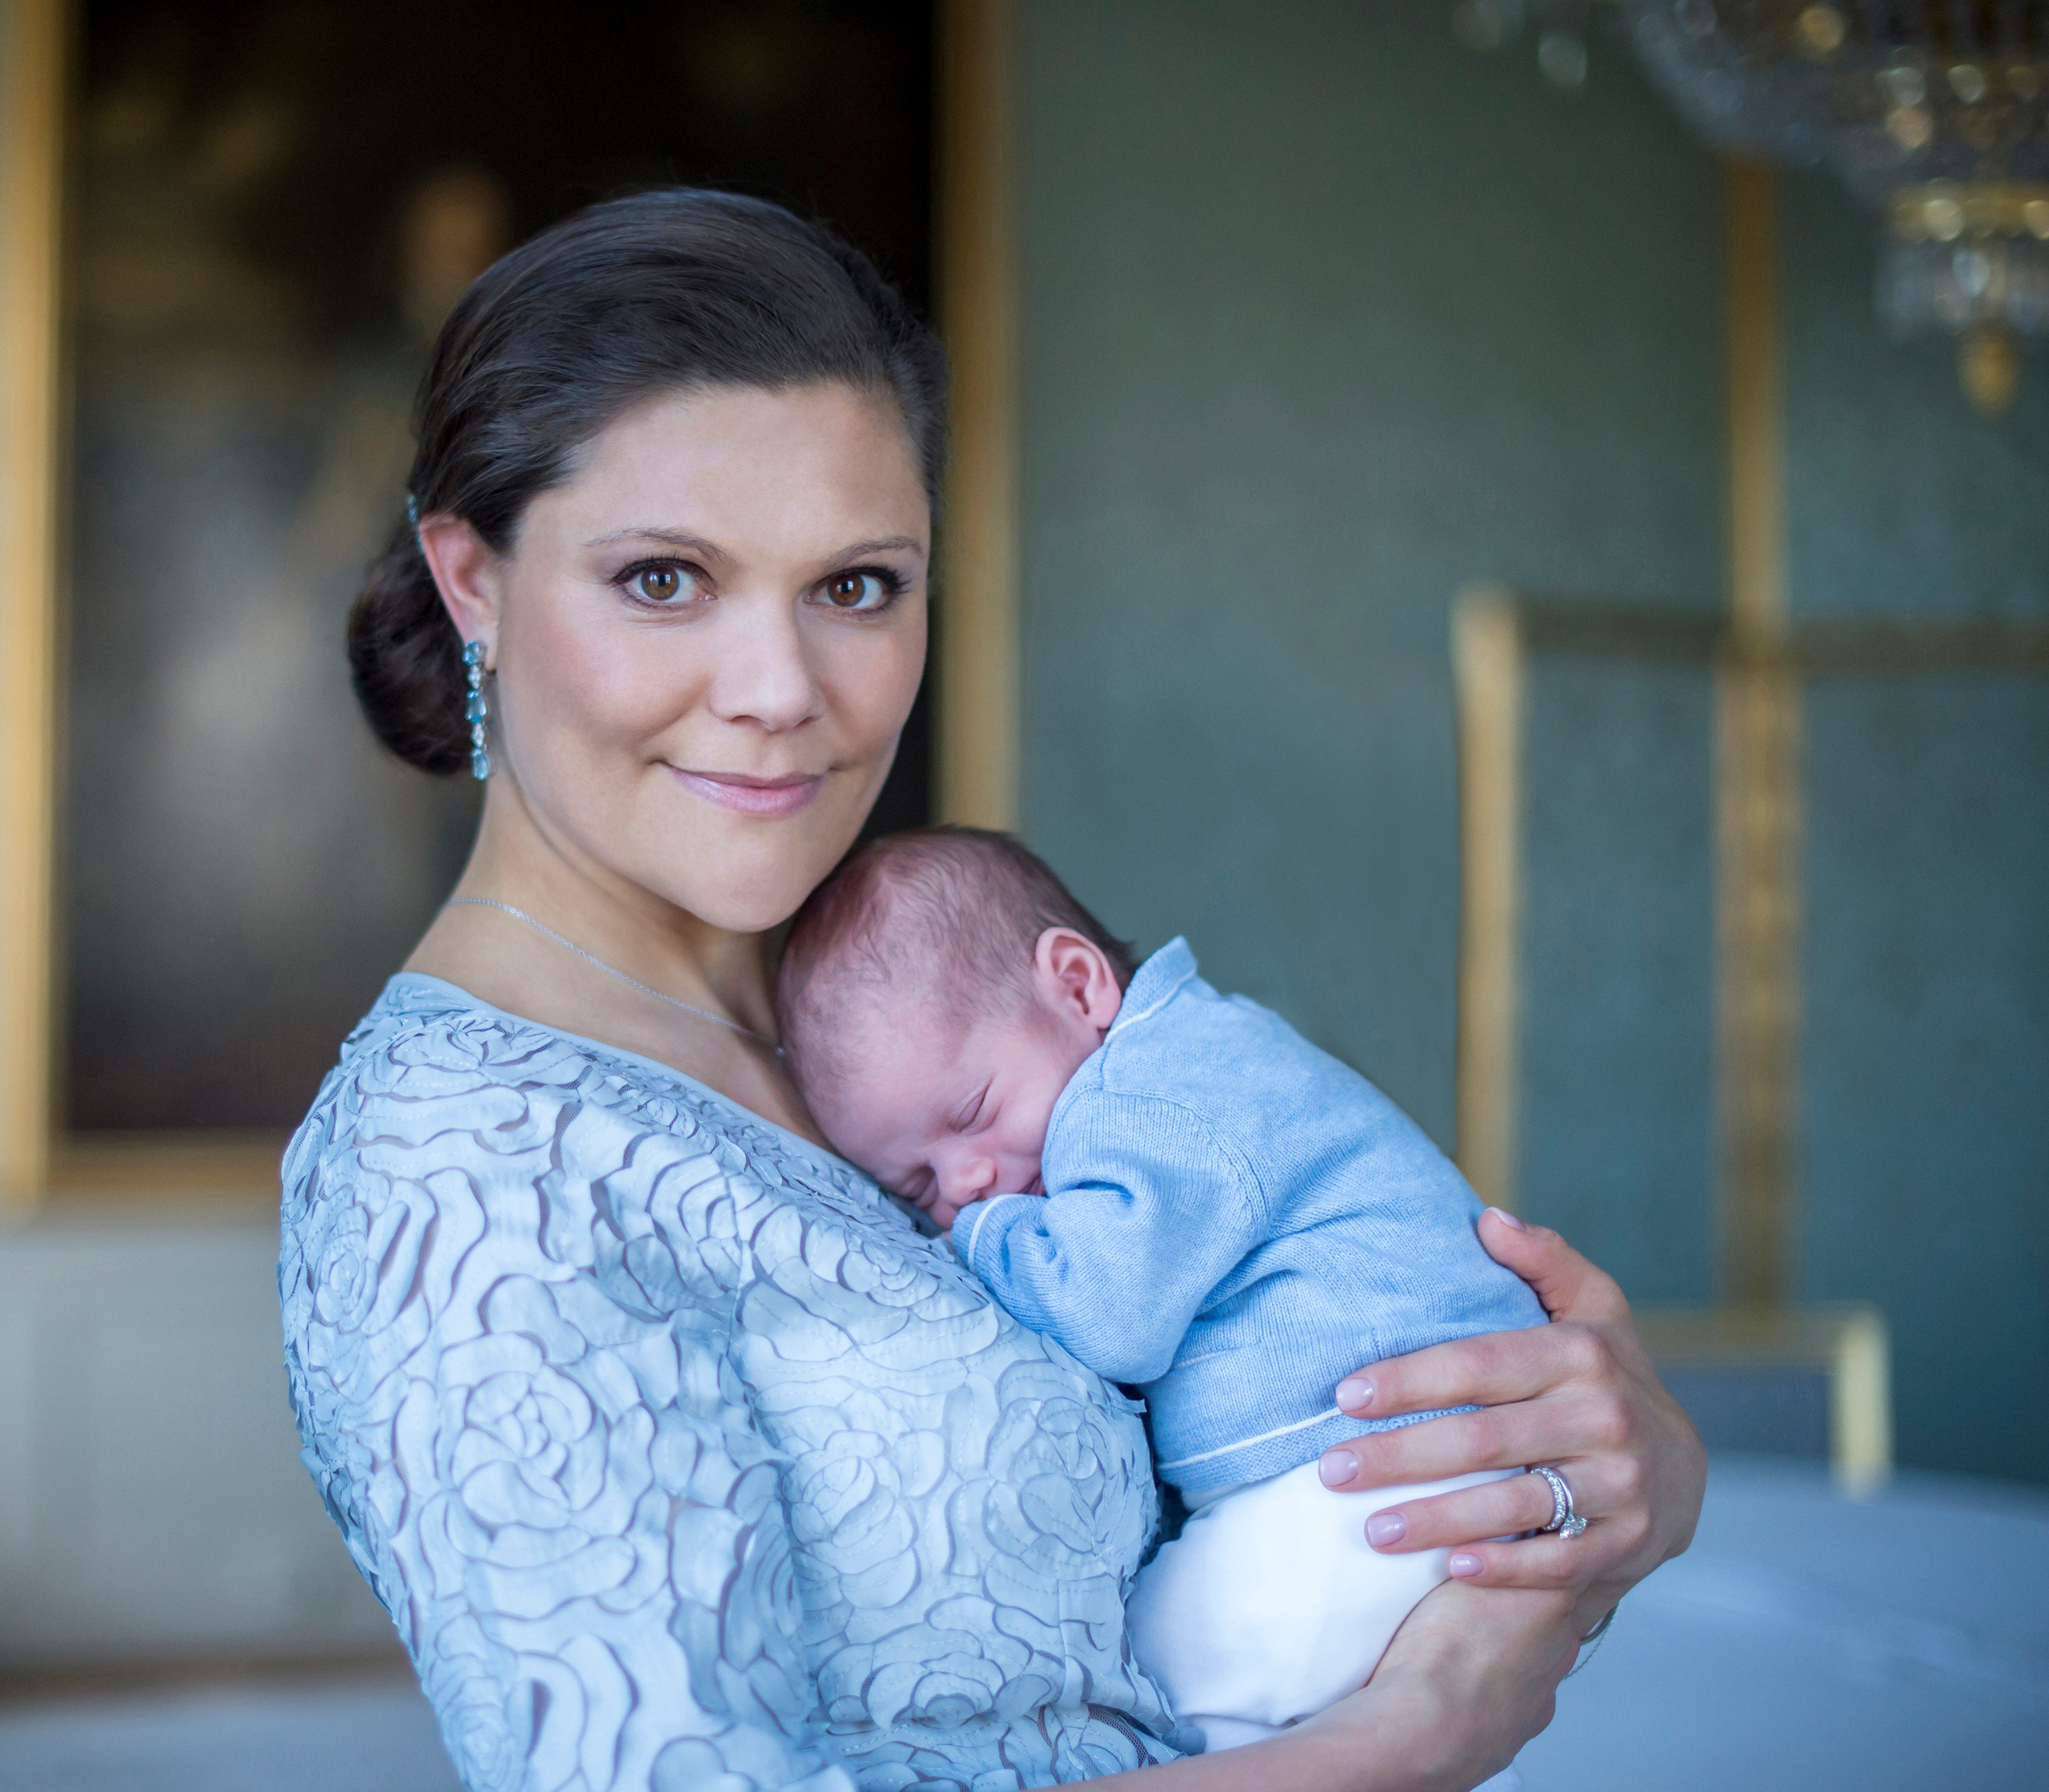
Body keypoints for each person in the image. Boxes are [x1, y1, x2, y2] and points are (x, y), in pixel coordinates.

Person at [279, 188, 1707, 1792]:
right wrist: (1414, 1735)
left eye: (857, 587)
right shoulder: (462, 1177)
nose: (779, 695)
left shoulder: (902, 1017)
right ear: (471, 578)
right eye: (665, 581)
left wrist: (1607, 1464)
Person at [773, 825, 1554, 1770]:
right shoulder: (1175, 1061)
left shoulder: (1149, 1101)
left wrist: (973, 1236)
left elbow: (1112, 1316)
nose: (968, 1180)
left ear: (1075, 985)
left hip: (1394, 1465)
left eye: (972, 1112)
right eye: (916, 1187)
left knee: (1166, 1671)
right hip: (1398, 1460)